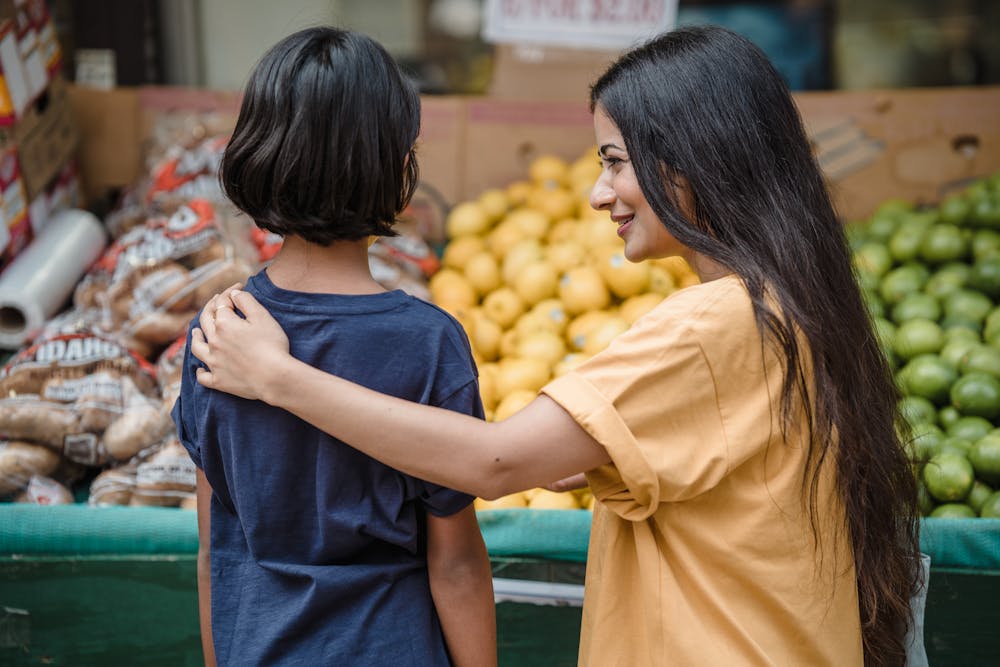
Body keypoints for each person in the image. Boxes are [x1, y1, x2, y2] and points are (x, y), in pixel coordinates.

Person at [192, 25, 922, 666]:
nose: (599, 193)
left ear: (696, 159)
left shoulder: (708, 325)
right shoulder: (784, 306)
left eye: (614, 160)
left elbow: (496, 460)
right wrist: (600, 458)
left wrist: (280, 376)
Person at [172, 27, 496, 667]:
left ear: (257, 155)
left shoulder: (220, 332)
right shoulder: (429, 344)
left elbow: (215, 547)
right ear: (398, 168)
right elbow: (454, 565)